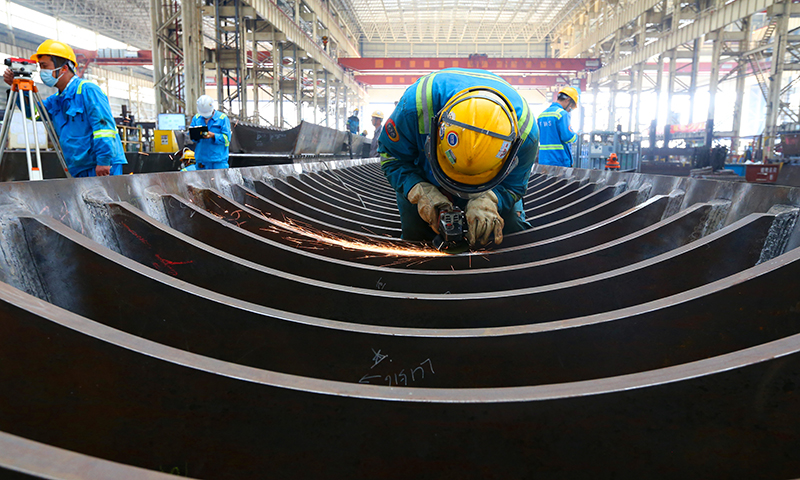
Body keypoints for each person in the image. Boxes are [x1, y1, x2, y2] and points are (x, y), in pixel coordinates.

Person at [379, 68, 539, 247]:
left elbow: (514, 185)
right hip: (424, 176)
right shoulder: (414, 108)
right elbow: (391, 157)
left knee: (511, 229)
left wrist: (492, 200)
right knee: (416, 233)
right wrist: (421, 192)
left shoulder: (525, 135)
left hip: (492, 187)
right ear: (436, 136)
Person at [3, 39, 127, 177]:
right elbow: (35, 114)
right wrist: (22, 91)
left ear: (64, 68)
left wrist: (104, 160)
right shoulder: (56, 100)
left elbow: (104, 128)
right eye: (40, 67)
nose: (42, 72)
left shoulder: (88, 90)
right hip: (77, 166)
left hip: (99, 165)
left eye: (45, 66)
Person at [537, 86, 579, 167]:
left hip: (543, 160)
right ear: (568, 100)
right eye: (571, 107)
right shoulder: (562, 114)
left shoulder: (542, 115)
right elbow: (568, 137)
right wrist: (576, 135)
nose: (570, 109)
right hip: (559, 160)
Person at [190, 95, 231, 170]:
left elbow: (227, 139)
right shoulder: (196, 118)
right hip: (201, 161)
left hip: (218, 162)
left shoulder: (222, 118)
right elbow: (192, 137)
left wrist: (213, 135)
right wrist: (196, 135)